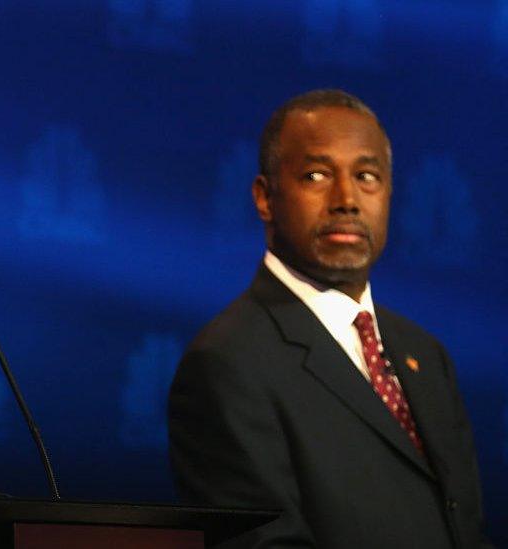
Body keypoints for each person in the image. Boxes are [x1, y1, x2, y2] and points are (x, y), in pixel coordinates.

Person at [167, 89, 491, 548]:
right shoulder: (226, 364)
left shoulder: (425, 354)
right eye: (316, 175)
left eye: (367, 176)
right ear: (264, 197)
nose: (347, 199)